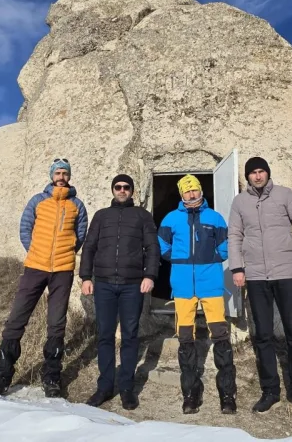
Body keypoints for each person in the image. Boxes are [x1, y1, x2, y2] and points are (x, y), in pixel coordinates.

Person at [0, 158, 88, 399]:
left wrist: (66, 253)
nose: (61, 176)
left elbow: (80, 235)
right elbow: (25, 229)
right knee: (17, 319)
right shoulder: (38, 201)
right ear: (51, 175)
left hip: (63, 270)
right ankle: (1, 377)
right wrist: (36, 251)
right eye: (57, 172)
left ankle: (51, 378)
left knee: (57, 324)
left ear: (69, 177)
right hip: (35, 267)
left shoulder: (77, 205)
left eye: (65, 173)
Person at [228, 156, 292, 416]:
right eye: (252, 172)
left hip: (287, 273)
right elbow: (235, 234)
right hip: (255, 277)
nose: (257, 176)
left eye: (261, 171)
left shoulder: (285, 195)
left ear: (267, 173)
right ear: (247, 176)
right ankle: (270, 391)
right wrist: (237, 267)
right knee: (263, 335)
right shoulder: (240, 201)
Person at [79, 174, 161, 410]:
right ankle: (104, 387)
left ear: (132, 191)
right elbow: (89, 247)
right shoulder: (101, 216)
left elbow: (152, 248)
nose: (122, 190)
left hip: (132, 285)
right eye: (118, 187)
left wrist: (150, 275)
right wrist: (86, 277)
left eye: (126, 187)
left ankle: (126, 387)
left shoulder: (142, 216)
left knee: (130, 335)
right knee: (104, 335)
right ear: (113, 190)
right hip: (103, 284)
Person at [158, 174, 237, 415]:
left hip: (211, 284)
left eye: (195, 190)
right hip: (182, 287)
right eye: (187, 191)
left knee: (220, 335)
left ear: (201, 191)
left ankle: (227, 395)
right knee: (185, 337)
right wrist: (180, 260)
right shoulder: (171, 218)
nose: (192, 194)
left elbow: (226, 244)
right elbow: (162, 245)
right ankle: (190, 394)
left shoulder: (214, 217)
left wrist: (212, 257)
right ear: (181, 194)